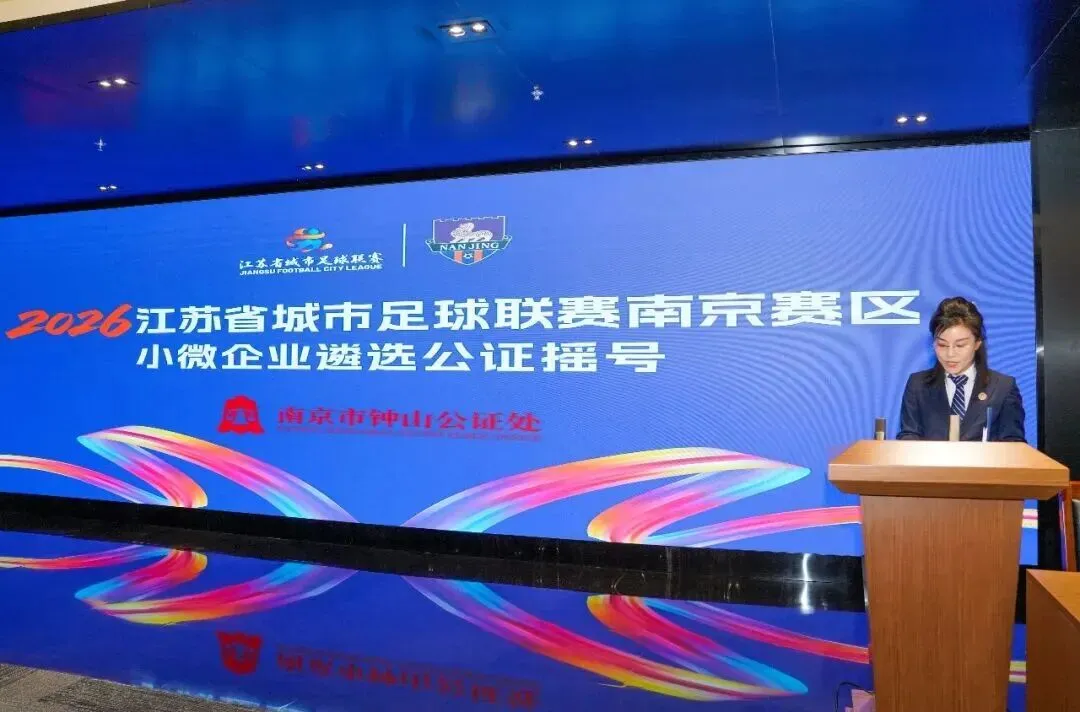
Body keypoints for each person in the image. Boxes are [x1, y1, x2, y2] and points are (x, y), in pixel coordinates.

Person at [897, 297, 1025, 442]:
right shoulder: (918, 384)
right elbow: (908, 435)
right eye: (942, 345)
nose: (950, 354)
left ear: (977, 343)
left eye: (960, 345)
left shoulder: (1003, 387)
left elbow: (1014, 443)